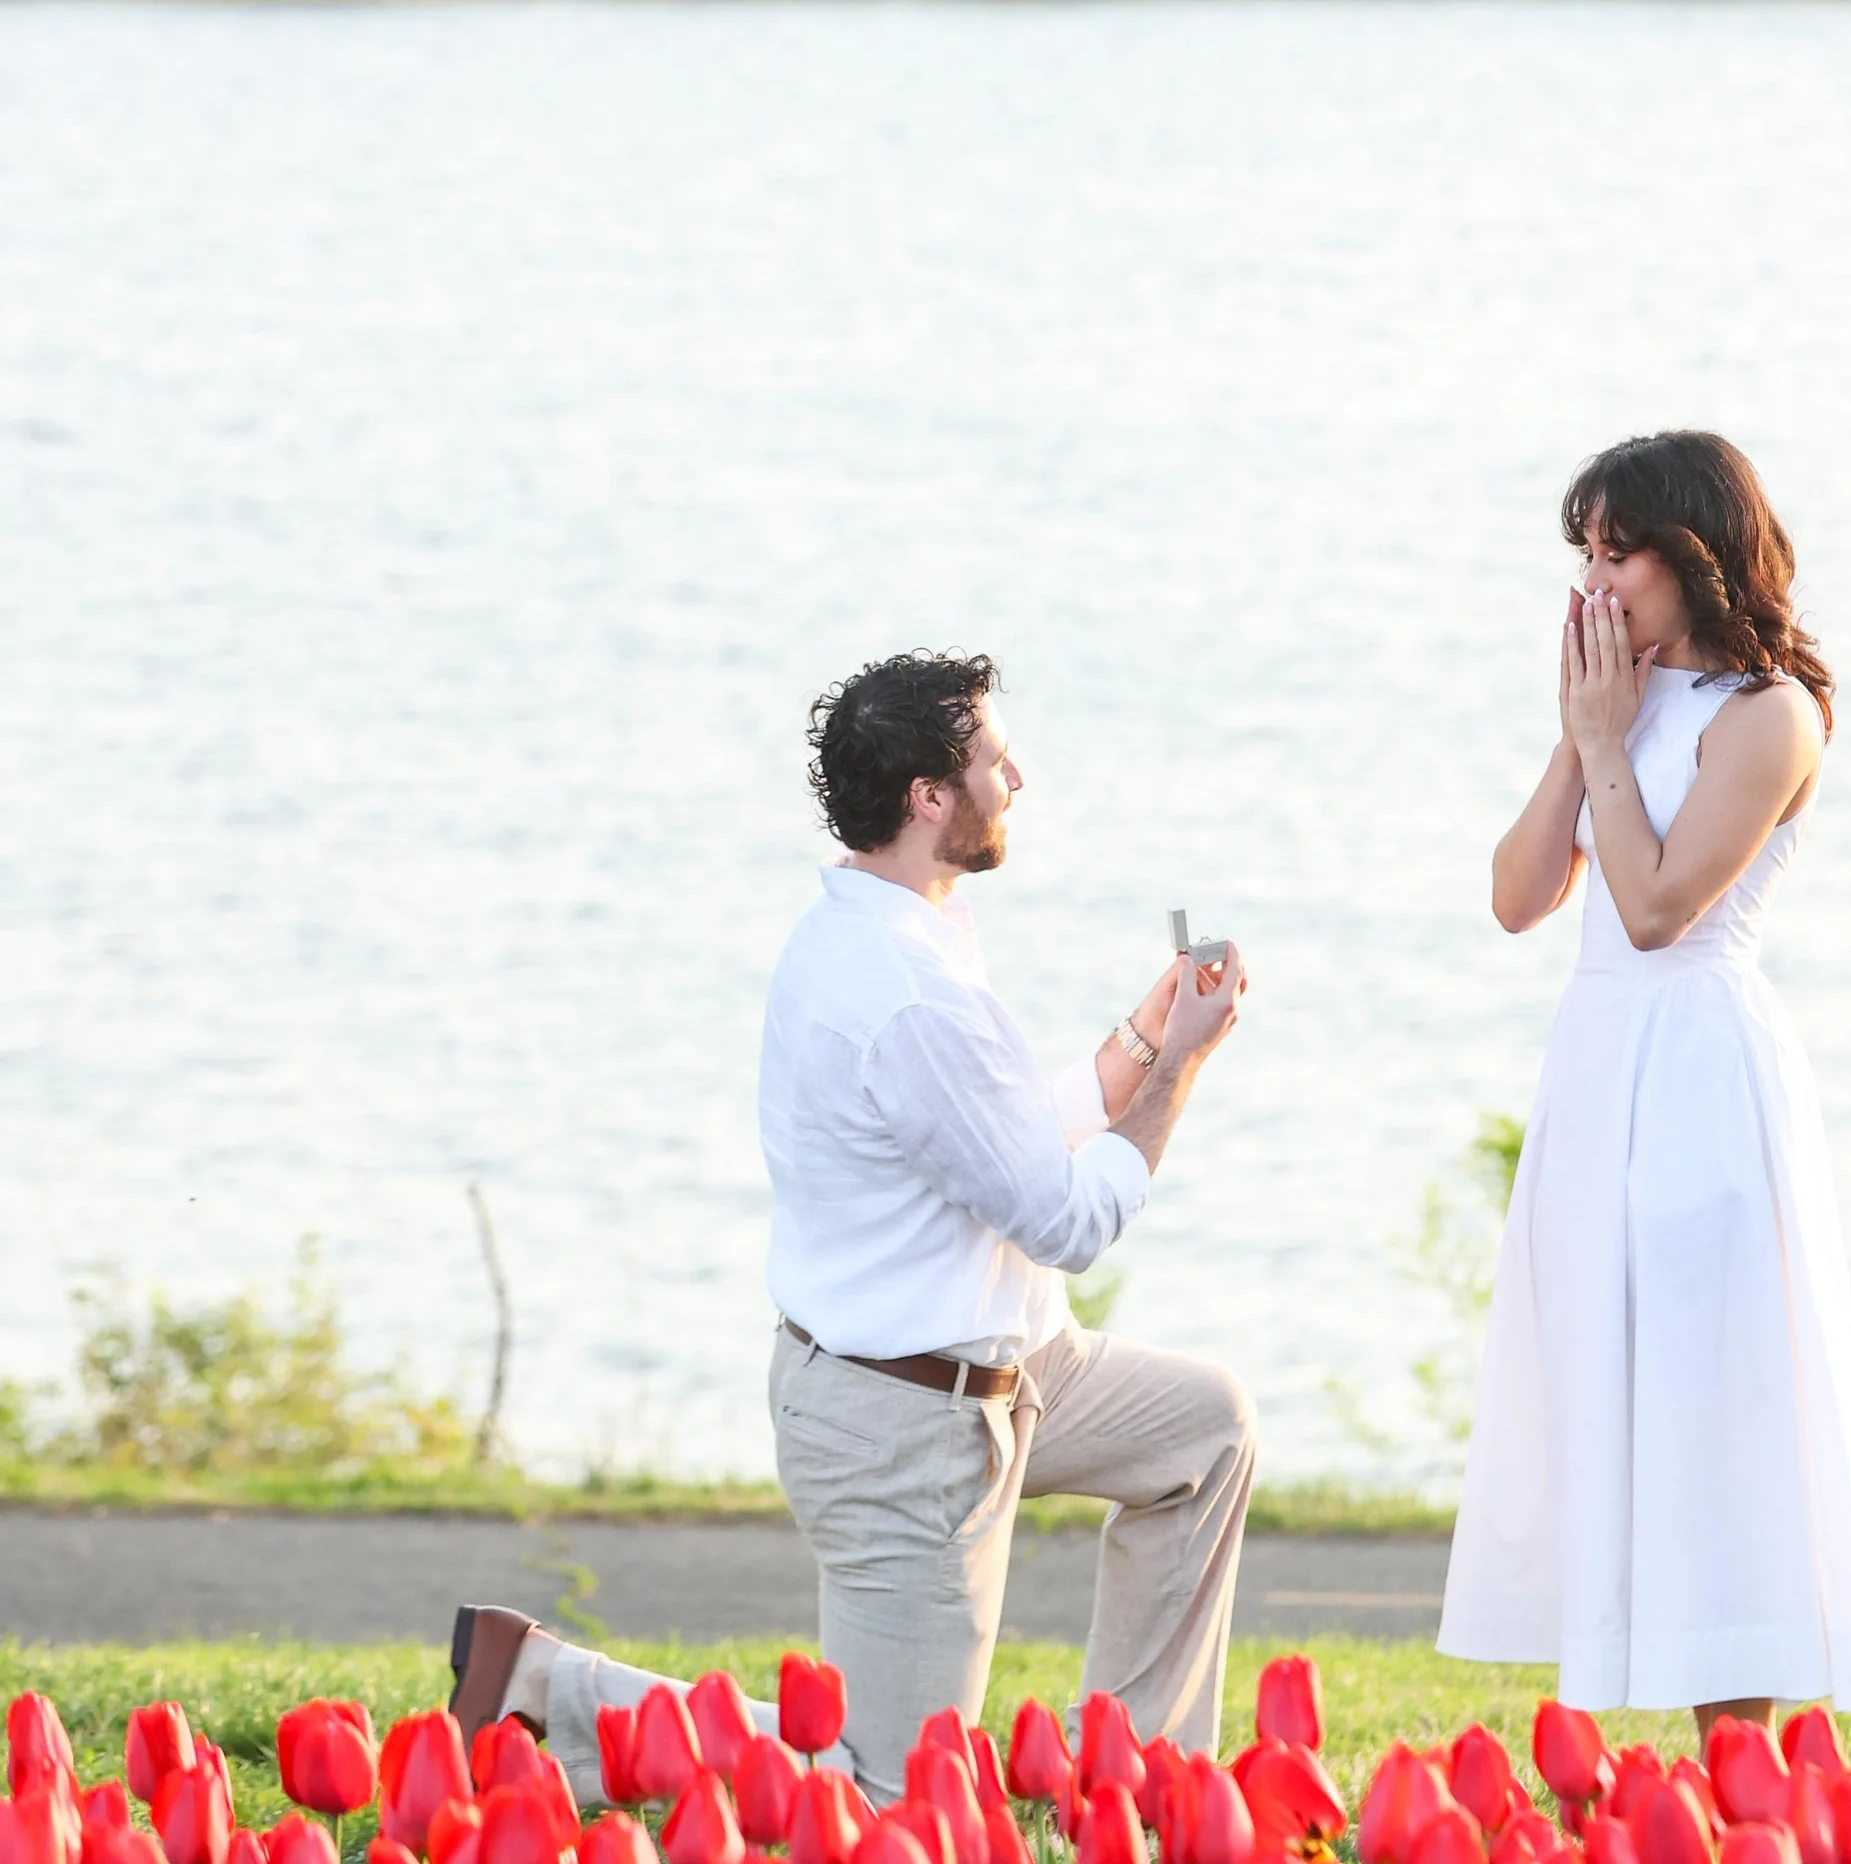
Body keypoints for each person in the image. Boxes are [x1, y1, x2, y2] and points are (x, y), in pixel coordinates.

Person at [449, 649, 1256, 1803]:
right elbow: (1066, 1221)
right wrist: (1181, 1070)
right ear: (929, 798)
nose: (1015, 776)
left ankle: (1137, 1797)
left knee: (1204, 1431)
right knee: (888, 1794)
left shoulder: (899, 934)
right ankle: (542, 1686)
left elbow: (1008, 1139)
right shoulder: (906, 994)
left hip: (1015, 1370)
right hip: (908, 1424)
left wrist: (1137, 1037)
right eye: (990, 760)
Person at [1438, 430, 1851, 1736]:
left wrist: (1604, 736)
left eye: (1618, 550)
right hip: (1597, 1069)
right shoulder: (1618, 700)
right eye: (1583, 550)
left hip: (1698, 1073)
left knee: (1711, 1401)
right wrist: (1582, 731)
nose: (1596, 580)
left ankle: (1741, 1759)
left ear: (1692, 553)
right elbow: (1520, 895)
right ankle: (1627, 1744)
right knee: (1598, 1382)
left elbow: (1654, 907)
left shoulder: (1771, 714)